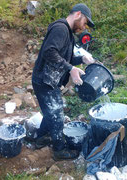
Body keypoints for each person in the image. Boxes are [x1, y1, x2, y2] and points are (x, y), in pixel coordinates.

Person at [32, 3, 96, 160]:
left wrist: (81, 58)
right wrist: (70, 69)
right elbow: (49, 51)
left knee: (50, 112)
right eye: (84, 21)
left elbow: (63, 57)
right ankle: (59, 150)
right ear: (78, 14)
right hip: (44, 80)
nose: (83, 26)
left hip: (48, 80)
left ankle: (40, 138)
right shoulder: (61, 29)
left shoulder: (67, 32)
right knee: (57, 114)